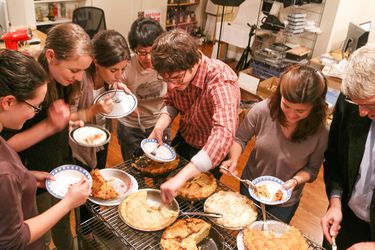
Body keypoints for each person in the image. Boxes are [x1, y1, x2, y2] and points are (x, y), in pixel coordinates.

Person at [1, 23, 93, 249]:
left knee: (61, 222)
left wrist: (67, 121)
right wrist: (50, 126)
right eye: (74, 70)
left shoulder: (59, 82)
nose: (80, 78)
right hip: (32, 170)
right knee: (43, 229)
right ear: (51, 56)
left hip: (53, 167)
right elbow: (9, 146)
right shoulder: (27, 88)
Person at [221, 65, 329, 223]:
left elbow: (312, 170)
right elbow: (240, 138)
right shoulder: (264, 110)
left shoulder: (321, 132)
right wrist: (234, 159)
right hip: (250, 185)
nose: (291, 115)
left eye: (300, 111)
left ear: (315, 107)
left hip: (285, 199)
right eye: (286, 105)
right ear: (280, 96)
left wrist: (295, 182)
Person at [149, 29, 241, 204]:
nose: (171, 86)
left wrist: (182, 176)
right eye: (166, 80)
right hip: (186, 137)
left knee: (196, 200)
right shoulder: (176, 77)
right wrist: (160, 124)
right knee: (171, 190)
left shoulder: (220, 79)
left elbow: (224, 133)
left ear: (195, 62)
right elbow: (172, 100)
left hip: (209, 150)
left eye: (176, 78)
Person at [321, 44, 375, 250]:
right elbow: (334, 155)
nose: (361, 113)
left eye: (371, 105)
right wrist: (335, 201)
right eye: (357, 103)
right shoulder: (350, 101)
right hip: (345, 217)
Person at [71, 29, 131, 170]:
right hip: (79, 148)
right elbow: (68, 118)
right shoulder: (79, 79)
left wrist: (116, 91)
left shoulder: (108, 81)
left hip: (102, 138)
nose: (119, 76)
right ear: (96, 62)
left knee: (99, 177)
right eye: (114, 70)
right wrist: (95, 109)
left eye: (123, 69)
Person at [117, 17, 170, 161]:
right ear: (134, 49)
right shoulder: (126, 65)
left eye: (152, 51)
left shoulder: (167, 63)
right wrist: (122, 97)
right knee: (134, 166)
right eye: (141, 52)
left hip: (159, 123)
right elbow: (114, 90)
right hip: (131, 126)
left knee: (161, 165)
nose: (148, 58)